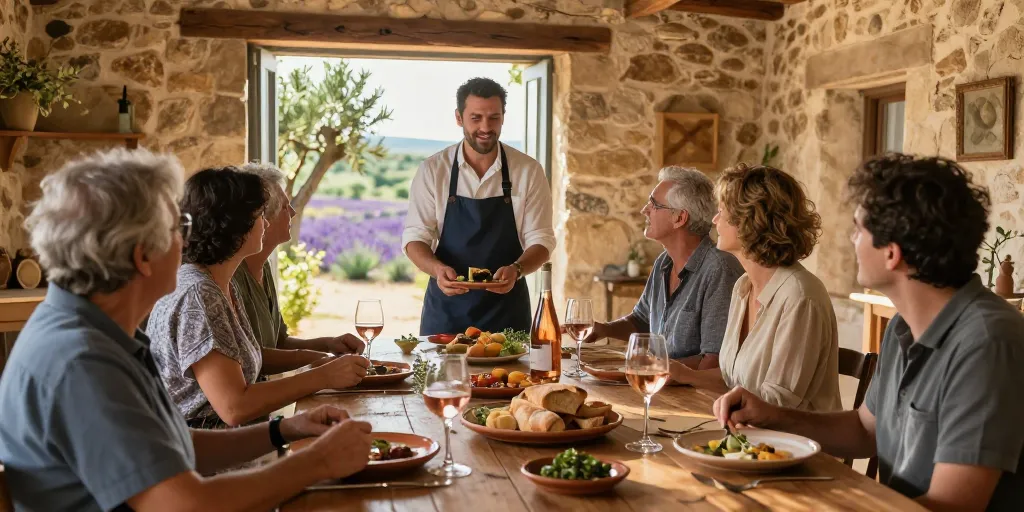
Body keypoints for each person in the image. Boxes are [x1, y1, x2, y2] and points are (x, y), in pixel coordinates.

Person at [0, 148, 372, 512]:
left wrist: (284, 430)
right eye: (180, 226)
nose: (188, 240)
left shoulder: (95, 333)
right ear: (143, 256)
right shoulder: (82, 361)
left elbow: (173, 445)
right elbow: (184, 503)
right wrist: (317, 463)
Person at [713, 154, 1024, 511]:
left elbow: (954, 505)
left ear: (892, 254)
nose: (851, 240)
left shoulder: (988, 340)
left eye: (859, 230)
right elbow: (864, 432)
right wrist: (772, 414)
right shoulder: (902, 327)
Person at [148, 166, 368, 429]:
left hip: (232, 442)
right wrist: (322, 375)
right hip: (205, 458)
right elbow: (234, 407)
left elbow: (250, 363)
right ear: (235, 225)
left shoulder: (221, 285)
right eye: (259, 215)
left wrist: (318, 362)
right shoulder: (200, 295)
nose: (265, 222)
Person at [672, 164, 841, 413]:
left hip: (793, 447)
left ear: (750, 221)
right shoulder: (743, 287)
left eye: (721, 212)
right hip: (748, 437)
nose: (714, 220)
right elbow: (735, 381)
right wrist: (684, 375)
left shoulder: (800, 297)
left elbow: (777, 403)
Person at [403, 77, 555, 335]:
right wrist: (437, 270)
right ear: (459, 118)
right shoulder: (433, 170)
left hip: (507, 312)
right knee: (443, 376)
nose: (486, 127)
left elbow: (541, 240)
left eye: (494, 118)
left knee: (511, 377)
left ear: (503, 117)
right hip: (446, 312)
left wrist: (517, 269)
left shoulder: (528, 171)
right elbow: (415, 238)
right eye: (476, 118)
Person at [584, 166, 743, 367]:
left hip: (693, 395)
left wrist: (653, 368)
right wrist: (604, 329)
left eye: (654, 204)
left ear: (679, 218)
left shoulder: (719, 270)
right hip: (660, 387)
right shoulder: (663, 263)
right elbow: (641, 321)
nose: (645, 210)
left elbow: (714, 361)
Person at [233, 161, 365, 354]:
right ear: (263, 217)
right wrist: (322, 363)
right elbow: (249, 357)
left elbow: (279, 342)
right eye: (285, 207)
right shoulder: (231, 275)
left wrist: (329, 344)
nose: (293, 213)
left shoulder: (264, 266)